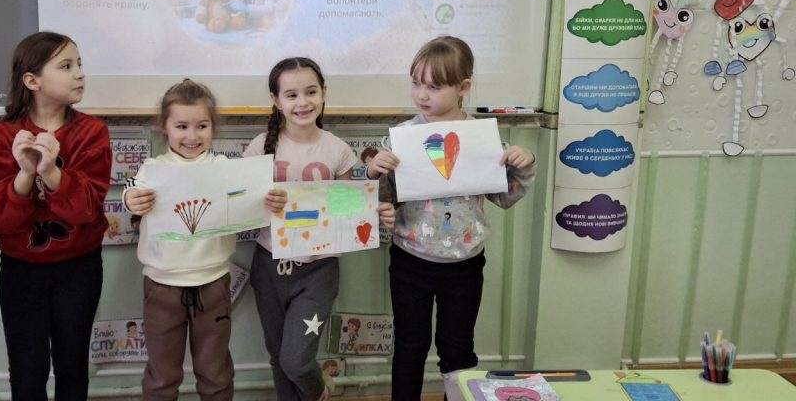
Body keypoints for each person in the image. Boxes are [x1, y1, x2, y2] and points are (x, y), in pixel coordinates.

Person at [366, 36, 536, 401]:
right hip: (410, 261)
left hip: (465, 266)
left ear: (463, 87)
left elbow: (505, 197)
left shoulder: (482, 139)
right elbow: (383, 202)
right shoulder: (403, 138)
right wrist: (374, 173)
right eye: (416, 83)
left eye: (434, 86)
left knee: (458, 349)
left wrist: (523, 165)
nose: (421, 95)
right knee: (409, 346)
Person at [124, 79, 287, 400]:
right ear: (164, 127)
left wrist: (271, 198)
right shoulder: (151, 169)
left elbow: (254, 197)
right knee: (161, 375)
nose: (192, 136)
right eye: (181, 126)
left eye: (202, 126)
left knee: (215, 373)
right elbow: (132, 190)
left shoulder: (224, 168)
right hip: (162, 286)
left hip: (213, 284)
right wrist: (132, 199)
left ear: (213, 127)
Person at [245, 57, 395, 401]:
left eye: (311, 92)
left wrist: (375, 210)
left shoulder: (337, 149)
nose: (303, 102)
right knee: (278, 358)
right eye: (291, 95)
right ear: (275, 100)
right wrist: (261, 202)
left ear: (324, 93)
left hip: (318, 270)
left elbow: (346, 209)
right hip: (269, 265)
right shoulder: (259, 147)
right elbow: (242, 209)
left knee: (296, 361)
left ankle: (319, 391)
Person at [0, 31, 112, 401]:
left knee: (72, 365)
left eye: (79, 64)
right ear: (32, 80)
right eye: (66, 66)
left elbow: (86, 210)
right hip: (22, 271)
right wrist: (25, 174)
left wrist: (51, 171)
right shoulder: (2, 137)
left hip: (79, 267)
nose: (79, 73)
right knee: (27, 369)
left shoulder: (92, 133)